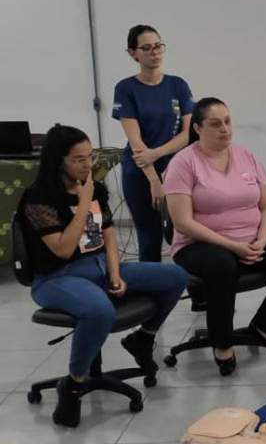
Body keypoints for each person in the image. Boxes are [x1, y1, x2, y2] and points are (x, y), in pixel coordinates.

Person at [19, 125, 188, 427]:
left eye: (91, 156)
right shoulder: (38, 199)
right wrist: (83, 202)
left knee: (175, 276)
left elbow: (109, 236)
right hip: (57, 277)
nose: (88, 165)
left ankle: (143, 338)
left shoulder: (94, 188)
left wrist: (114, 273)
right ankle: (72, 383)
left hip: (98, 267)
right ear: (58, 161)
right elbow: (63, 248)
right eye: (79, 159)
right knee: (99, 310)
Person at [164, 98, 266, 376]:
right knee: (223, 266)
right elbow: (182, 223)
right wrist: (234, 246)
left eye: (228, 121)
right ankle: (222, 343)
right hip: (199, 244)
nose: (225, 129)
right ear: (197, 127)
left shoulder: (245, 154)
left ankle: (265, 326)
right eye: (215, 124)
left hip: (249, 240)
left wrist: (262, 239)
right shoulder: (183, 163)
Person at [112, 24, 194, 262]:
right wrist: (154, 181)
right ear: (133, 53)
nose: (154, 52)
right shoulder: (126, 88)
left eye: (158, 46)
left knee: (186, 233)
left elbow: (188, 133)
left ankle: (195, 289)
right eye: (146, 48)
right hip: (141, 172)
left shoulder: (177, 85)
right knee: (150, 237)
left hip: (177, 167)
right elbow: (136, 144)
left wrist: (157, 154)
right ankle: (152, 292)